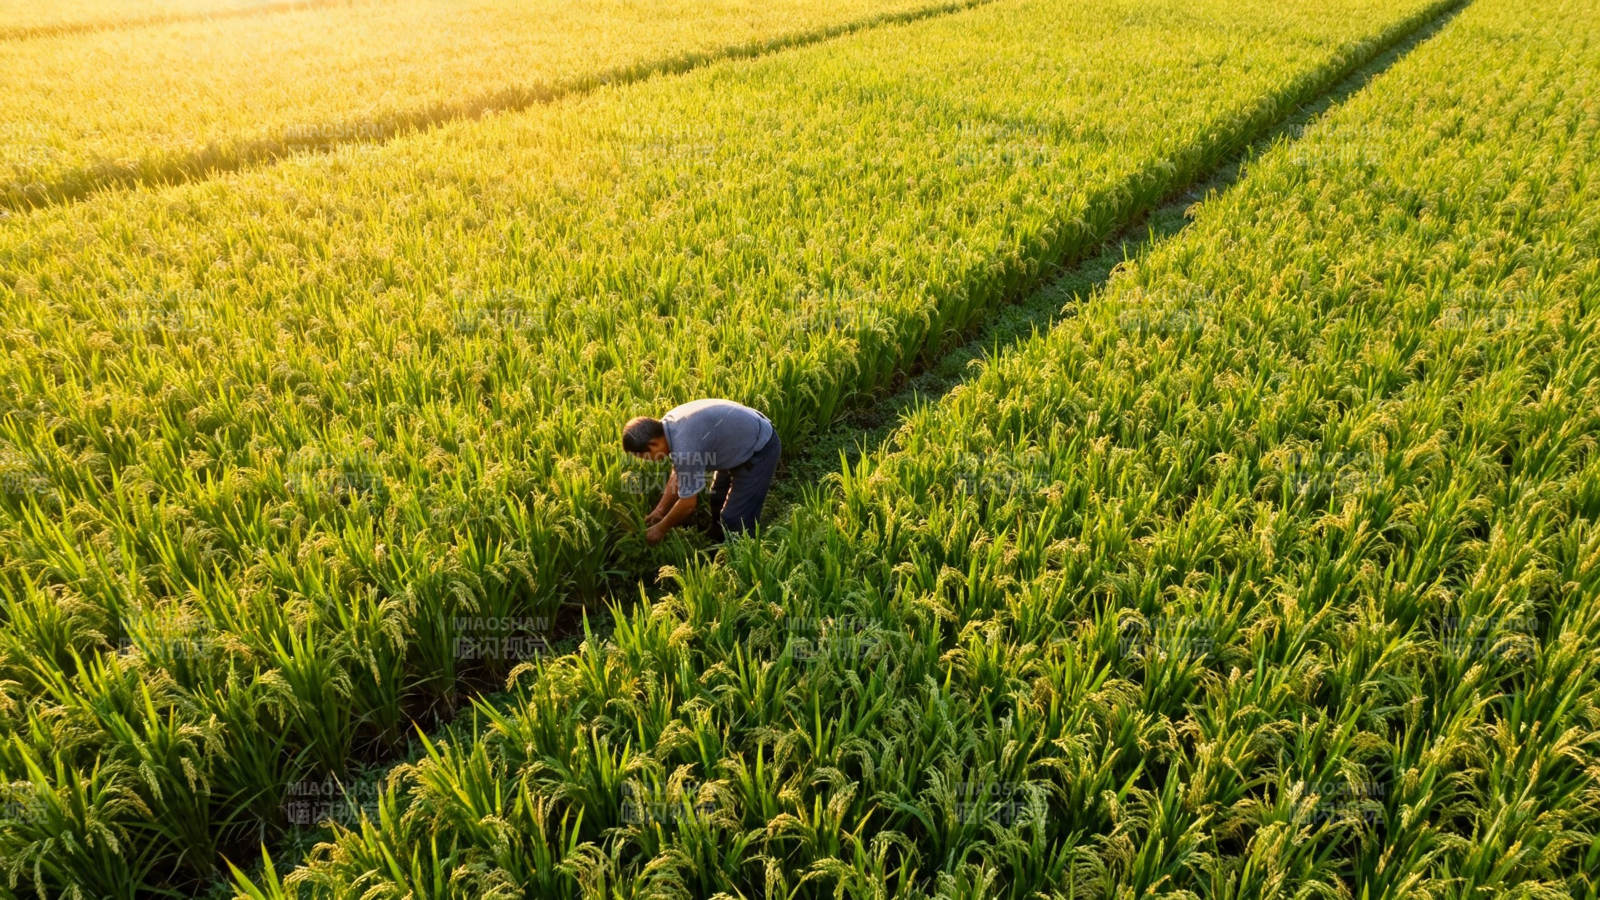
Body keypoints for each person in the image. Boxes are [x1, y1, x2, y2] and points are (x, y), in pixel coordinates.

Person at [622, 399, 781, 545]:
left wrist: (660, 529)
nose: (646, 460)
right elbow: (679, 473)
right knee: (717, 496)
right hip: (735, 441)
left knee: (735, 518)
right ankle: (719, 539)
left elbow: (688, 504)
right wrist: (660, 511)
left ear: (654, 443)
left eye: (643, 456)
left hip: (759, 448)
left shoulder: (684, 448)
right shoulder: (667, 426)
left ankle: (743, 557)